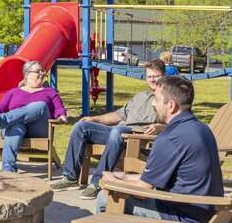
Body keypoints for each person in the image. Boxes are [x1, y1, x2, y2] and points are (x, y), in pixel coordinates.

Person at [56, 75, 224, 223]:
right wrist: (124, 176)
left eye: (157, 100)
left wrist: (112, 183)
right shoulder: (200, 129)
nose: (153, 104)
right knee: (117, 189)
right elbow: (161, 178)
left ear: (171, 106)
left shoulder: (170, 138)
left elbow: (145, 187)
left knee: (106, 198)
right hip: (201, 215)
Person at [52, 60, 167, 199]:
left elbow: (174, 123)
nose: (152, 79)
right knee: (81, 127)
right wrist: (95, 119)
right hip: (118, 133)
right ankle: (70, 177)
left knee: (117, 131)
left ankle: (97, 182)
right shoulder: (140, 97)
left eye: (156, 76)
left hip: (138, 137)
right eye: (149, 76)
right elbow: (118, 115)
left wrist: (159, 127)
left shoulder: (167, 98)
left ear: (164, 76)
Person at [0, 61, 67, 172]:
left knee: (40, 105)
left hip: (38, 129)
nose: (42, 74)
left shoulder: (49, 92)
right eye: (37, 71)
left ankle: (1, 121)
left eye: (42, 71)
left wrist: (61, 115)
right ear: (27, 74)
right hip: (16, 126)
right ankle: (8, 171)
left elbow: (59, 108)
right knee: (15, 126)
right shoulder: (13, 92)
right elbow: (0, 107)